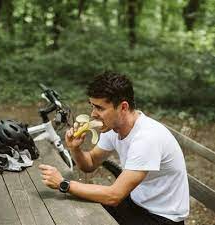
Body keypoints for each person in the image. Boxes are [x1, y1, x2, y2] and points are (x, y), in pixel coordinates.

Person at [39, 71, 189, 225]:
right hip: (134, 204)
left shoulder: (146, 138)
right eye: (92, 106)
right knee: (71, 210)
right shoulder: (113, 127)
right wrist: (75, 148)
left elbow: (114, 195)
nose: (93, 114)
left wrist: (63, 184)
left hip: (161, 218)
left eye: (100, 108)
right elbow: (89, 164)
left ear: (123, 107)